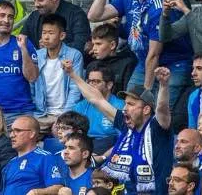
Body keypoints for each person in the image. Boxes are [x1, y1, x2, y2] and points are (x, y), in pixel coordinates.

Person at [67, 64, 173, 193]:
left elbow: (162, 108)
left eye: (131, 104)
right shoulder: (125, 124)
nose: (125, 108)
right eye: (125, 103)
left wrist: (163, 85)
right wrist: (72, 74)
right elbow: (96, 99)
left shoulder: (157, 128)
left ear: (146, 110)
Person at [0, 116, 63, 194]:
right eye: (11, 131)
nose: (12, 135)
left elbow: (58, 188)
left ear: (32, 134)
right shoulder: (11, 163)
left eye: (18, 131)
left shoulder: (45, 158)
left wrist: (37, 192)